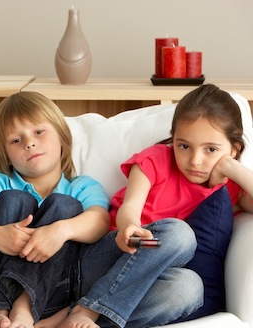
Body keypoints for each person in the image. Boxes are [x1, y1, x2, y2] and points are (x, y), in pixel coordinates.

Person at [59, 84, 253, 328]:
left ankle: (76, 318)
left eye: (211, 150)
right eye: (184, 146)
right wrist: (128, 227)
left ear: (233, 149)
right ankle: (86, 309)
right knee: (180, 234)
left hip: (144, 281)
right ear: (174, 139)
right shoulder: (156, 159)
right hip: (119, 251)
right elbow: (130, 207)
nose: (195, 160)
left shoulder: (229, 189)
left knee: (188, 288)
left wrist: (233, 167)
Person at [0, 91, 111, 328]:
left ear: (62, 138)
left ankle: (23, 309)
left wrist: (61, 230)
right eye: (16, 140)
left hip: (53, 294)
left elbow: (100, 221)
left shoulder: (82, 186)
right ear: (6, 155)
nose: (30, 143)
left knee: (65, 206)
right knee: (13, 199)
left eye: (39, 132)